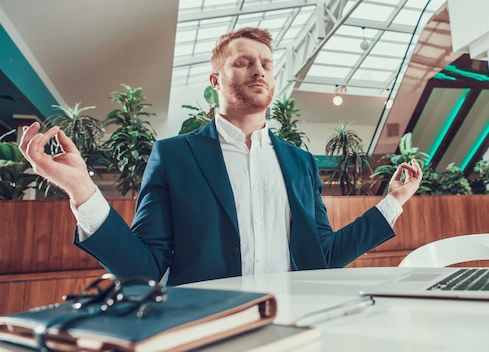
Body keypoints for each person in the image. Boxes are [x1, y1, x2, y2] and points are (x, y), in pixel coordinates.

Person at [19, 27, 422, 286]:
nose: (258, 70)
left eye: (266, 64)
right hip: (209, 329)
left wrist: (394, 202)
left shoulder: (300, 162)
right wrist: (81, 189)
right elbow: (145, 268)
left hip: (296, 324)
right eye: (243, 62)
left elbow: (324, 256)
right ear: (216, 81)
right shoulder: (174, 156)